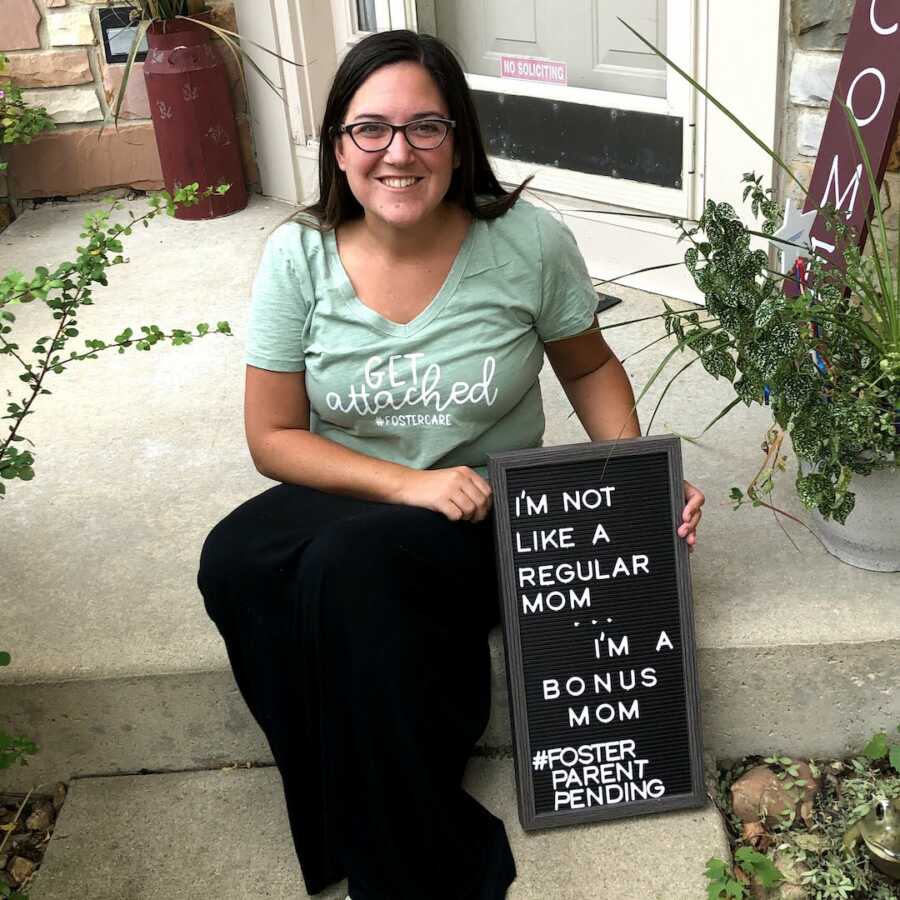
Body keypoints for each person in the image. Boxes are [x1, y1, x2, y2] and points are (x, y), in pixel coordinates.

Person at [197, 28, 704, 900]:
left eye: (426, 128)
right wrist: (406, 483)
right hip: (362, 494)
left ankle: (414, 867)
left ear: (460, 140)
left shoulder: (526, 243)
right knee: (234, 559)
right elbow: (273, 438)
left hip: (484, 511)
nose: (399, 152)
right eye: (372, 129)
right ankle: (340, 812)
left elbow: (585, 364)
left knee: (345, 569)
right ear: (338, 147)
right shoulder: (299, 256)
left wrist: (633, 479)